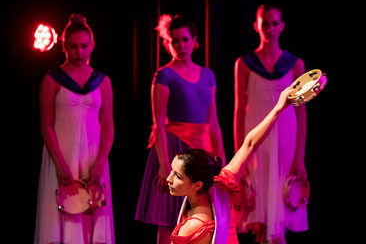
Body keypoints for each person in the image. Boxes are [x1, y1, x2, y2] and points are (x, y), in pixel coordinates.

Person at [135, 14, 226, 244]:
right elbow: (158, 123)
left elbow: (213, 122)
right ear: (168, 43)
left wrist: (222, 160)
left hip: (202, 152)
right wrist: (164, 164)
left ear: (194, 40)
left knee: (205, 215)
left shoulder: (207, 75)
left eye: (185, 39)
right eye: (175, 41)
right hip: (175, 149)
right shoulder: (164, 75)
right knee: (169, 219)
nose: (181, 45)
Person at [167, 87, 295, 244]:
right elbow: (250, 144)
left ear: (197, 185)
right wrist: (279, 107)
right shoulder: (219, 185)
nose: (168, 179)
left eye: (177, 176)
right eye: (172, 171)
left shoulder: (193, 228)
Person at [34, 14, 115, 244]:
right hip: (62, 155)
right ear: (64, 46)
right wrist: (60, 165)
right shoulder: (52, 80)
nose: (79, 52)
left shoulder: (102, 81)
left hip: (92, 156)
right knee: (61, 217)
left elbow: (108, 124)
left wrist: (101, 161)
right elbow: (46, 125)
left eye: (84, 46)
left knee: (93, 216)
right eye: (73, 46)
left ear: (92, 46)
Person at [233, 3, 308, 244]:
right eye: (265, 23)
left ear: (282, 26)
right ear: (256, 26)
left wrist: (300, 157)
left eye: (275, 23)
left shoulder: (294, 64)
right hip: (256, 138)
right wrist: (239, 157)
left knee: (280, 198)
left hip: (285, 136)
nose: (270, 28)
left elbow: (301, 113)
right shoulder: (244, 63)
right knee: (259, 201)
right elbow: (238, 111)